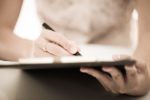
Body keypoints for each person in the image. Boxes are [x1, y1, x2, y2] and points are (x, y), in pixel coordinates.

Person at [0, 0, 150, 96]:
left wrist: (142, 78)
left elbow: (147, 35)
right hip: (49, 75)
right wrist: (33, 51)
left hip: (116, 72)